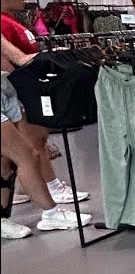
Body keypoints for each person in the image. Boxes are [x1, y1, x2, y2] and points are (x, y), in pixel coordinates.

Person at [1, 37, 93, 237]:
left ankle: (3, 218)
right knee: (26, 155)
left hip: (5, 88)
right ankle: (50, 212)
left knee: (7, 161)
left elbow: (20, 58)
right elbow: (21, 58)